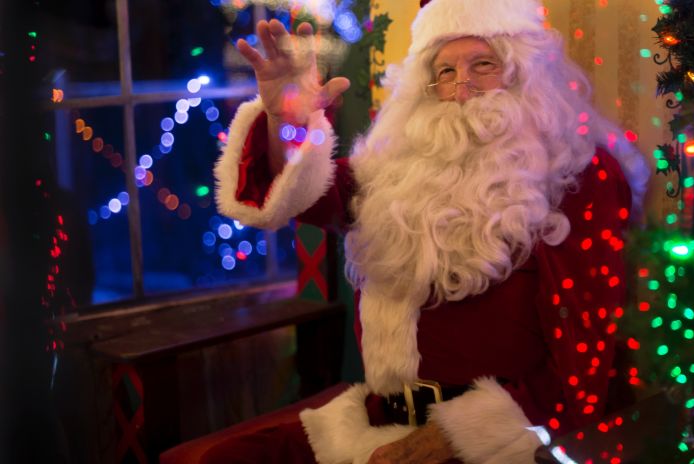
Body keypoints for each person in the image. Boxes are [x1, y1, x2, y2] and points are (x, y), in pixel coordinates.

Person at [209, 0, 649, 462]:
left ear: (525, 76)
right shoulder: (394, 169)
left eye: (483, 65)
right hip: (380, 420)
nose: (462, 86)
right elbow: (297, 194)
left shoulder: (578, 173)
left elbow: (586, 351)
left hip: (503, 441)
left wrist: (458, 436)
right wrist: (286, 121)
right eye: (444, 71)